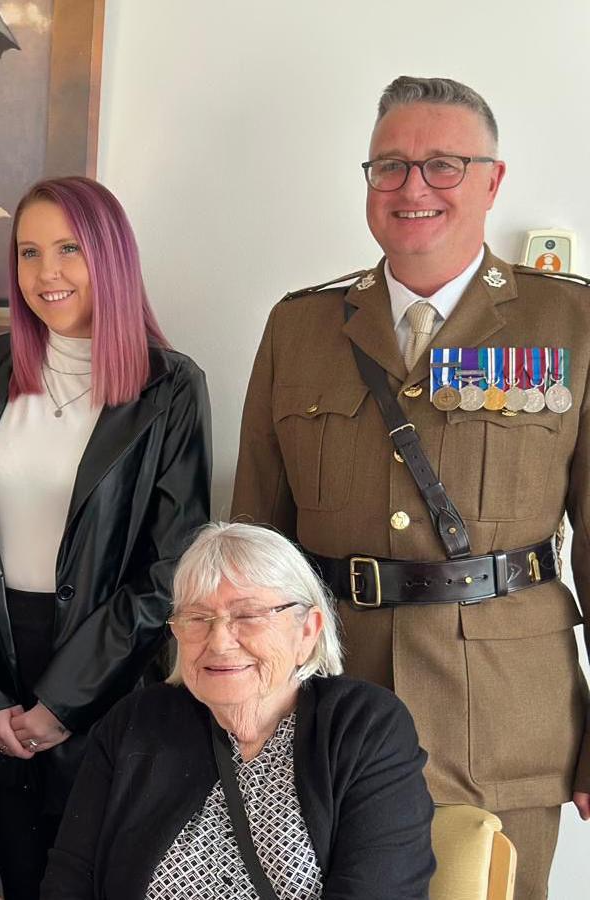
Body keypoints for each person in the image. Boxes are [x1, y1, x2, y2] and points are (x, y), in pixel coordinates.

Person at [230, 75, 590, 900]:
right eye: (389, 166)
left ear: (493, 180)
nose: (412, 188)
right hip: (325, 701)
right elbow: (255, 538)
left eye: (443, 166)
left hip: (506, 714)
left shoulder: (570, 325)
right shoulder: (301, 326)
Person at [0, 176, 211, 899]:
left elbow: (172, 564)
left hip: (110, 673)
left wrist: (65, 701)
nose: (45, 274)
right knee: (24, 882)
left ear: (110, 258)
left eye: (68, 250)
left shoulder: (170, 389)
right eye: (28, 252)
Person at [47, 522, 436, 899]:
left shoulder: (364, 726)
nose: (219, 641)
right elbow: (70, 879)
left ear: (307, 630)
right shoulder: (135, 722)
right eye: (198, 618)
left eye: (247, 615)